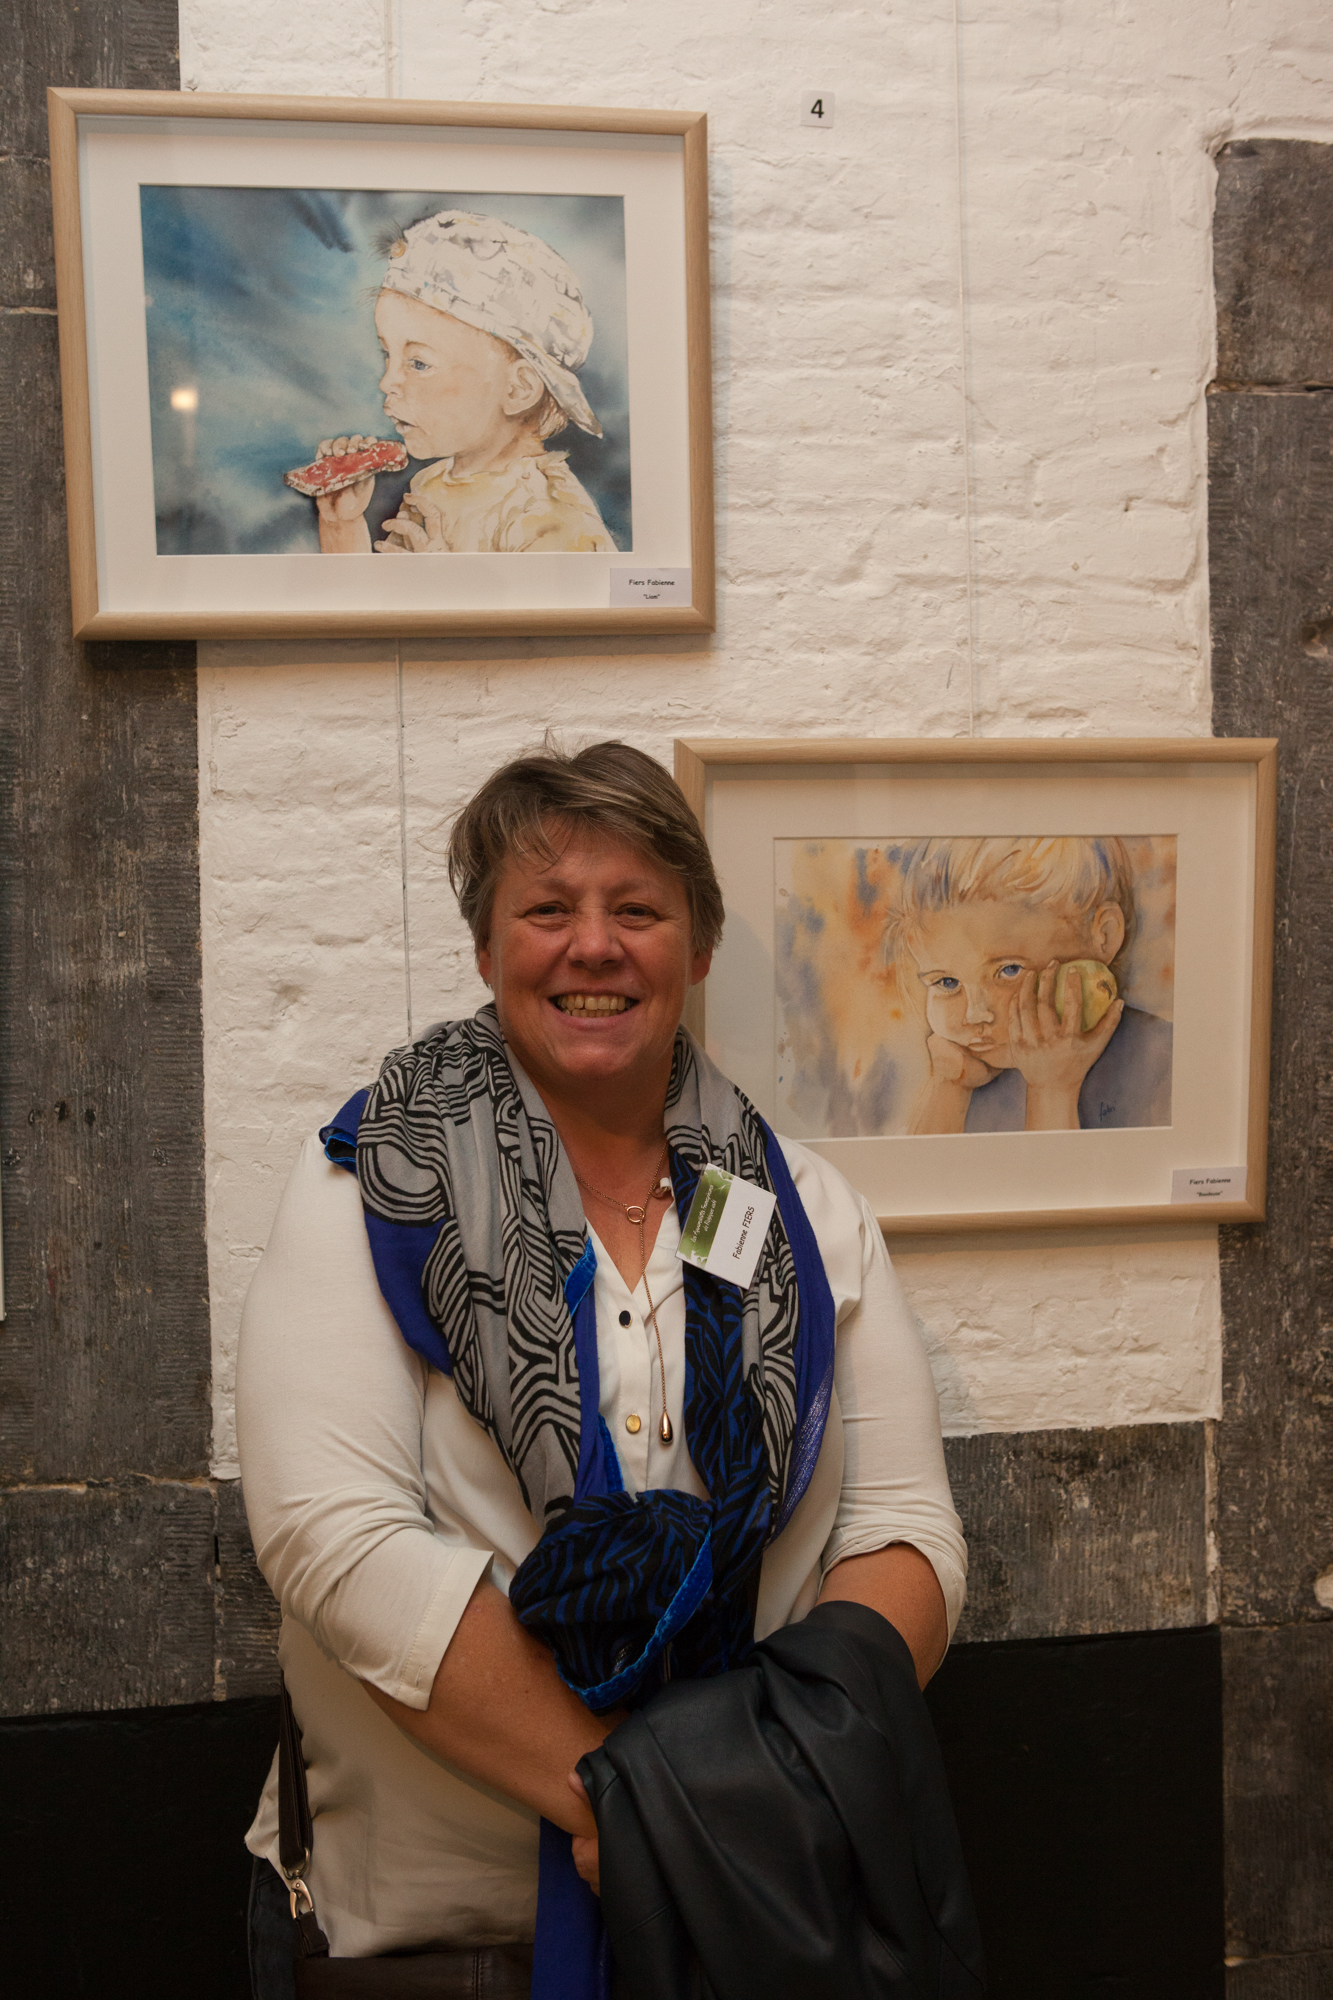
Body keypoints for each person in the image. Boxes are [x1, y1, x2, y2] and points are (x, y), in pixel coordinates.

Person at [237, 740, 969, 1995]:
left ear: (697, 948)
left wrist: (760, 1788)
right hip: (432, 1946)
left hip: (753, 1914)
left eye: (637, 908)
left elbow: (905, 1533)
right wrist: (636, 1805)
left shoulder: (800, 1209)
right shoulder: (365, 1187)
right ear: (486, 949)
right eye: (546, 909)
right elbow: (333, 1537)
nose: (593, 945)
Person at [313, 210, 617, 556]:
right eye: (387, 354)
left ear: (518, 389)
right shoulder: (430, 484)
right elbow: (379, 591)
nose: (386, 382)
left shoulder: (556, 520)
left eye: (419, 363)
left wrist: (447, 581)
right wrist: (343, 526)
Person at [894, 835, 1174, 1135]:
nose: (975, 1014)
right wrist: (948, 1087)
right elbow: (920, 1166)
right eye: (947, 982)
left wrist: (1052, 1089)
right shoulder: (962, 1073)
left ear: (1103, 936)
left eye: (1009, 970)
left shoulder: (1164, 1061)